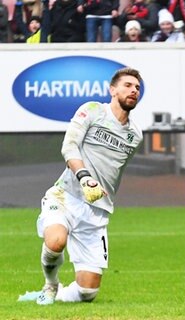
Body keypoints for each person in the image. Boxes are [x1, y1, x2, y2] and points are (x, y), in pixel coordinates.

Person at [17, 67, 144, 305]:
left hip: (96, 210)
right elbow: (69, 147)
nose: (133, 90)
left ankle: (61, 295)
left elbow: (113, 171)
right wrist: (85, 177)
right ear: (112, 89)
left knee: (87, 293)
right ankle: (50, 284)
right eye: (127, 85)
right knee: (56, 241)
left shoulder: (135, 135)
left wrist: (101, 190)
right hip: (65, 196)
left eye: (137, 87)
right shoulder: (93, 110)